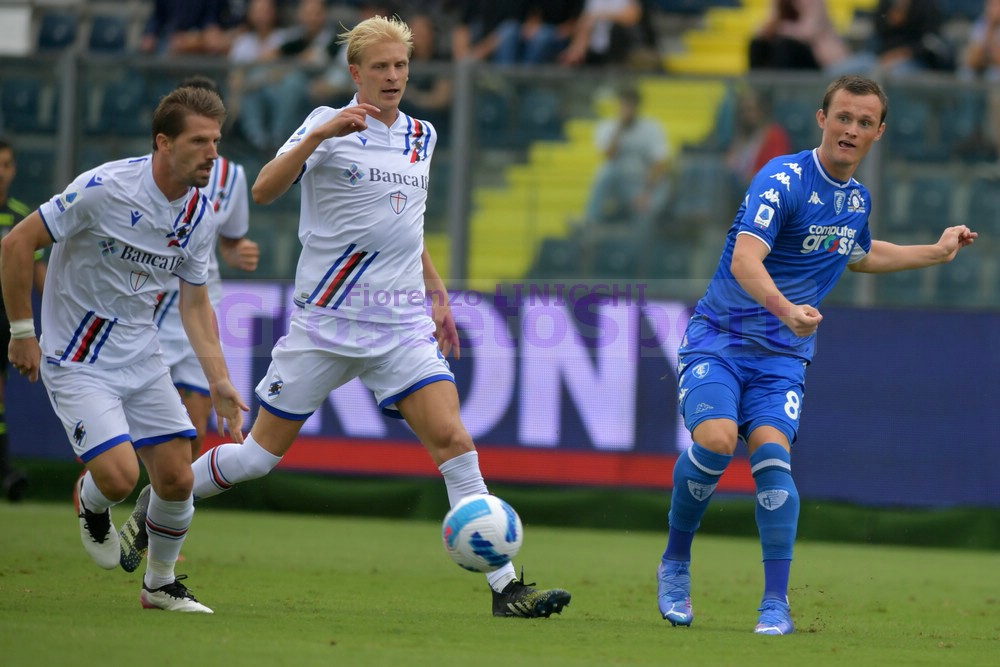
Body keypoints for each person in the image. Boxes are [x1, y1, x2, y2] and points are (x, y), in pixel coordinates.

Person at [118, 14, 572, 619]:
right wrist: (318, 135)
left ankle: (506, 588)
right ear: (355, 72)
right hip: (325, 325)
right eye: (380, 66)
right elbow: (264, 190)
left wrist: (436, 292)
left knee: (455, 440)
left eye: (401, 65)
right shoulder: (325, 125)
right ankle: (159, 502)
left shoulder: (422, 136)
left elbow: (405, 224)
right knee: (256, 458)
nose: (393, 76)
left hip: (400, 326)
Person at [656, 75, 977, 635]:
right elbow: (745, 261)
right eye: (843, 117)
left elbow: (859, 253)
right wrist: (786, 310)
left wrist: (936, 251)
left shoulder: (856, 200)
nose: (851, 129)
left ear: (879, 132)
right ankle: (676, 562)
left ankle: (775, 603)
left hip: (783, 358)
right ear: (822, 119)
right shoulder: (781, 179)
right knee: (716, 439)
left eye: (864, 122)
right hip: (721, 339)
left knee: (772, 459)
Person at [1, 86, 248, 613]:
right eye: (199, 141)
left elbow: (196, 305)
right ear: (164, 142)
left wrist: (219, 379)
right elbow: (16, 243)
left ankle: (160, 585)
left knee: (178, 478)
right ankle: (92, 501)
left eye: (216, 141)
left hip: (141, 355)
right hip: (77, 357)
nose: (212, 154)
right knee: (119, 478)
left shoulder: (199, 215)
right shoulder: (104, 189)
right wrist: (23, 331)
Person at [155, 76, 260, 464]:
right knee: (138, 434)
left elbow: (229, 240)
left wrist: (237, 252)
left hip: (198, 302)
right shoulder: (153, 172)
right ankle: (101, 486)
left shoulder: (232, 177)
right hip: (149, 305)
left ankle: (162, 498)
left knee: (194, 431)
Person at [0, 138, 46, 502]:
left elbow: (42, 278)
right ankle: (6, 472)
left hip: (7, 320)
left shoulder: (21, 218)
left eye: (6, 165)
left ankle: (6, 471)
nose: (0, 173)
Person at [582, 85, 671, 239]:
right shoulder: (607, 127)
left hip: (645, 183)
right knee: (605, 171)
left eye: (630, 105)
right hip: (621, 183)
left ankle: (638, 243)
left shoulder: (652, 128)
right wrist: (620, 129)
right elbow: (609, 156)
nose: (626, 109)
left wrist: (646, 193)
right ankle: (591, 223)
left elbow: (660, 163)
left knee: (646, 209)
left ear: (637, 107)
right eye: (623, 104)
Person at [723, 87, 793, 198]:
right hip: (739, 188)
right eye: (743, 111)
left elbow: (776, 170)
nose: (746, 115)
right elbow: (730, 163)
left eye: (750, 110)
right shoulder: (741, 135)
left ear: (761, 111)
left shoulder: (775, 134)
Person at [748, 0, 849, 71]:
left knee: (785, 46)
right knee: (757, 44)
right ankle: (759, 89)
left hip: (820, 59)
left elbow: (808, 32)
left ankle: (784, 90)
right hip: (793, 57)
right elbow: (764, 31)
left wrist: (781, 28)